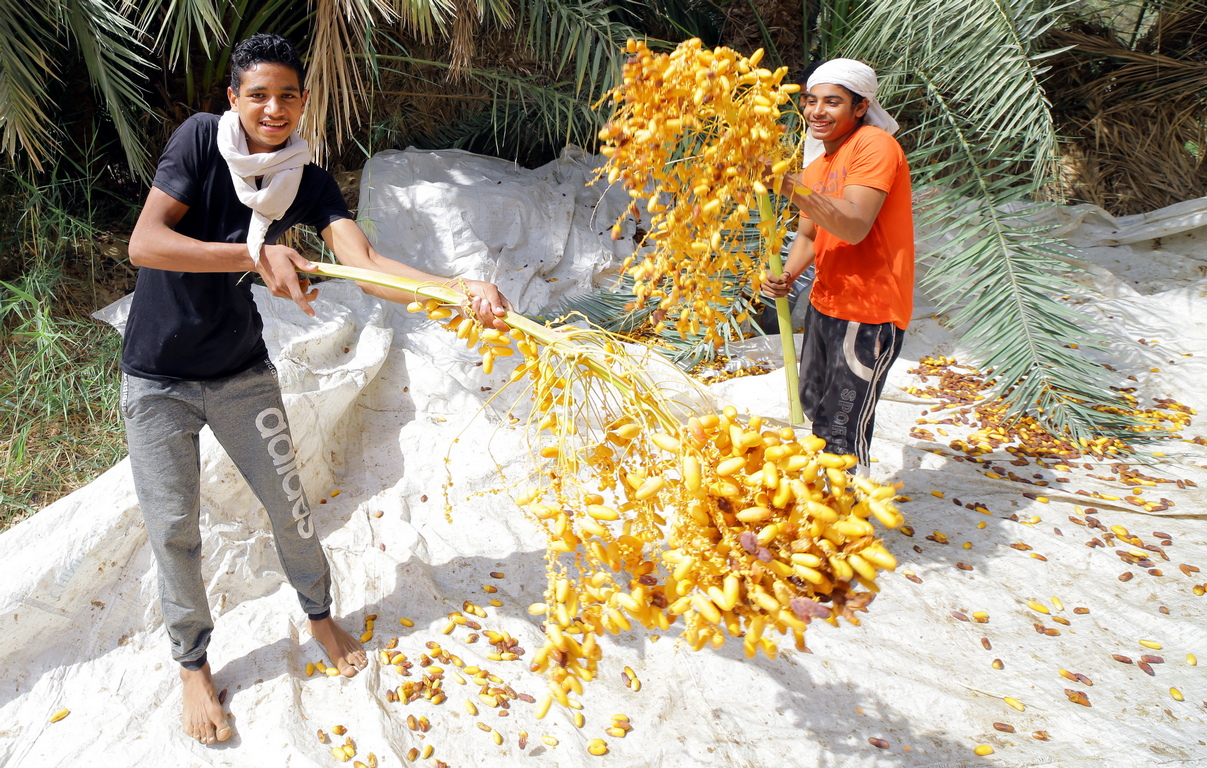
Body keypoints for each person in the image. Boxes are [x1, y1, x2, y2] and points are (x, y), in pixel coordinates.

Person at [122, 34, 511, 745]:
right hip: (156, 379)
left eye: (288, 96)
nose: (274, 109)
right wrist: (255, 253)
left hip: (239, 372)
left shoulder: (306, 178)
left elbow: (365, 267)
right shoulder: (199, 144)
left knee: (291, 509)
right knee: (174, 529)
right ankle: (192, 666)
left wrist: (455, 289)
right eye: (259, 95)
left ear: (304, 101)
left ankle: (319, 616)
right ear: (232, 98)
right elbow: (145, 244)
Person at [760, 58, 913, 469]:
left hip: (869, 313)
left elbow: (854, 225)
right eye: (811, 101)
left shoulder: (874, 146)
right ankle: (824, 507)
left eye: (832, 102)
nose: (816, 111)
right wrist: (788, 276)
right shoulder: (816, 166)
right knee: (814, 403)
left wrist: (784, 182)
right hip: (825, 304)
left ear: (860, 107)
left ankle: (847, 516)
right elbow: (810, 235)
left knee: (840, 429)